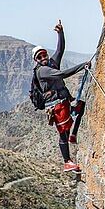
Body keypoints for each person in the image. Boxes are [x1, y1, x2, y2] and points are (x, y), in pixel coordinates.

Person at [31, 20, 90, 173]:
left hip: (63, 100)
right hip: (56, 105)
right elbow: (63, 74)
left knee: (81, 106)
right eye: (40, 56)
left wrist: (60, 33)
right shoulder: (42, 71)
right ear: (36, 60)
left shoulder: (51, 63)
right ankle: (67, 162)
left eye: (44, 54)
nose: (43, 57)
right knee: (63, 132)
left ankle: (74, 135)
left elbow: (60, 50)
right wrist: (82, 65)